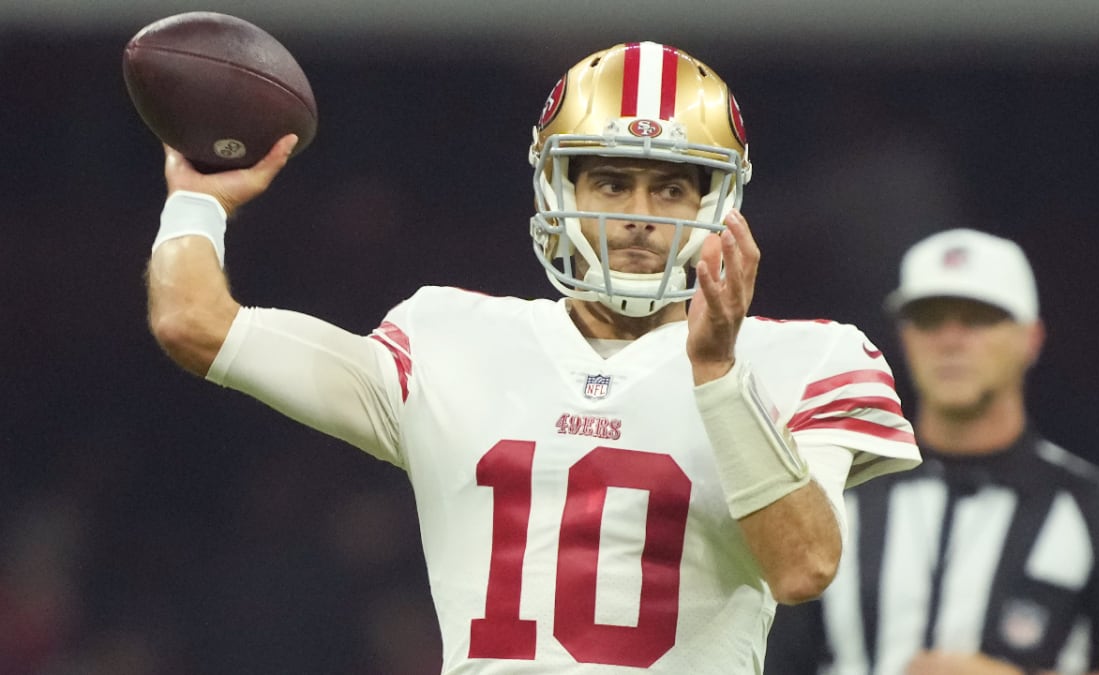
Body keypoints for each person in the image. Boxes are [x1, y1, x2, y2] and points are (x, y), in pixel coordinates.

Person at [144, 41, 920, 673]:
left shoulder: (808, 358)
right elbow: (196, 322)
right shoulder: (448, 339)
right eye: (613, 182)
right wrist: (197, 199)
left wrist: (718, 373)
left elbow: (805, 566)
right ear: (557, 189)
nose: (641, 218)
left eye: (672, 189)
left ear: (718, 206)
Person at [765, 228, 1099, 675]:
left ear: (1031, 338)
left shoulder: (1093, 509)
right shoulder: (840, 497)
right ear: (904, 338)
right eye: (929, 319)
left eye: (977, 318)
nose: (950, 340)